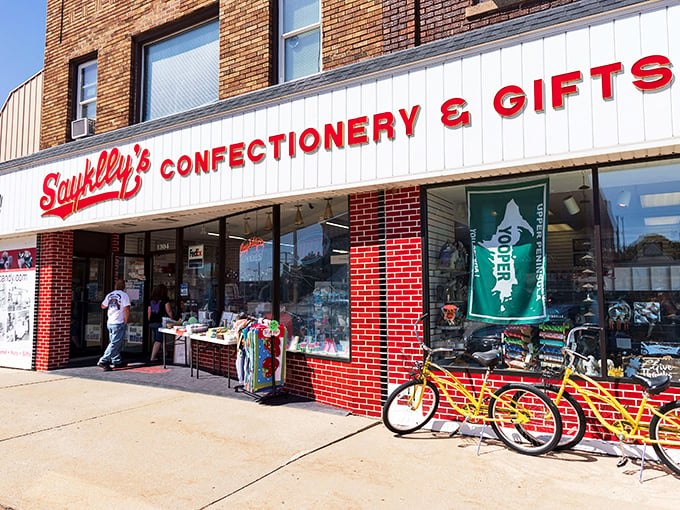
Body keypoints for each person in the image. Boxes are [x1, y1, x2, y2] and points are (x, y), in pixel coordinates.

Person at [98, 279, 131, 371]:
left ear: (115, 286)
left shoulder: (110, 295)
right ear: (124, 287)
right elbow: (127, 308)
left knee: (115, 342)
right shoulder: (124, 295)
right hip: (118, 321)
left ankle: (116, 361)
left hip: (110, 321)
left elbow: (103, 306)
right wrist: (126, 320)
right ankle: (104, 360)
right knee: (115, 343)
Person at [148, 284, 173, 363]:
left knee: (159, 338)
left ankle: (165, 353)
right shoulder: (165, 299)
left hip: (152, 322)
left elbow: (148, 312)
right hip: (160, 322)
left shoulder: (151, 300)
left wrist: (149, 320)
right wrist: (172, 318)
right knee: (158, 340)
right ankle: (153, 357)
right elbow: (168, 310)